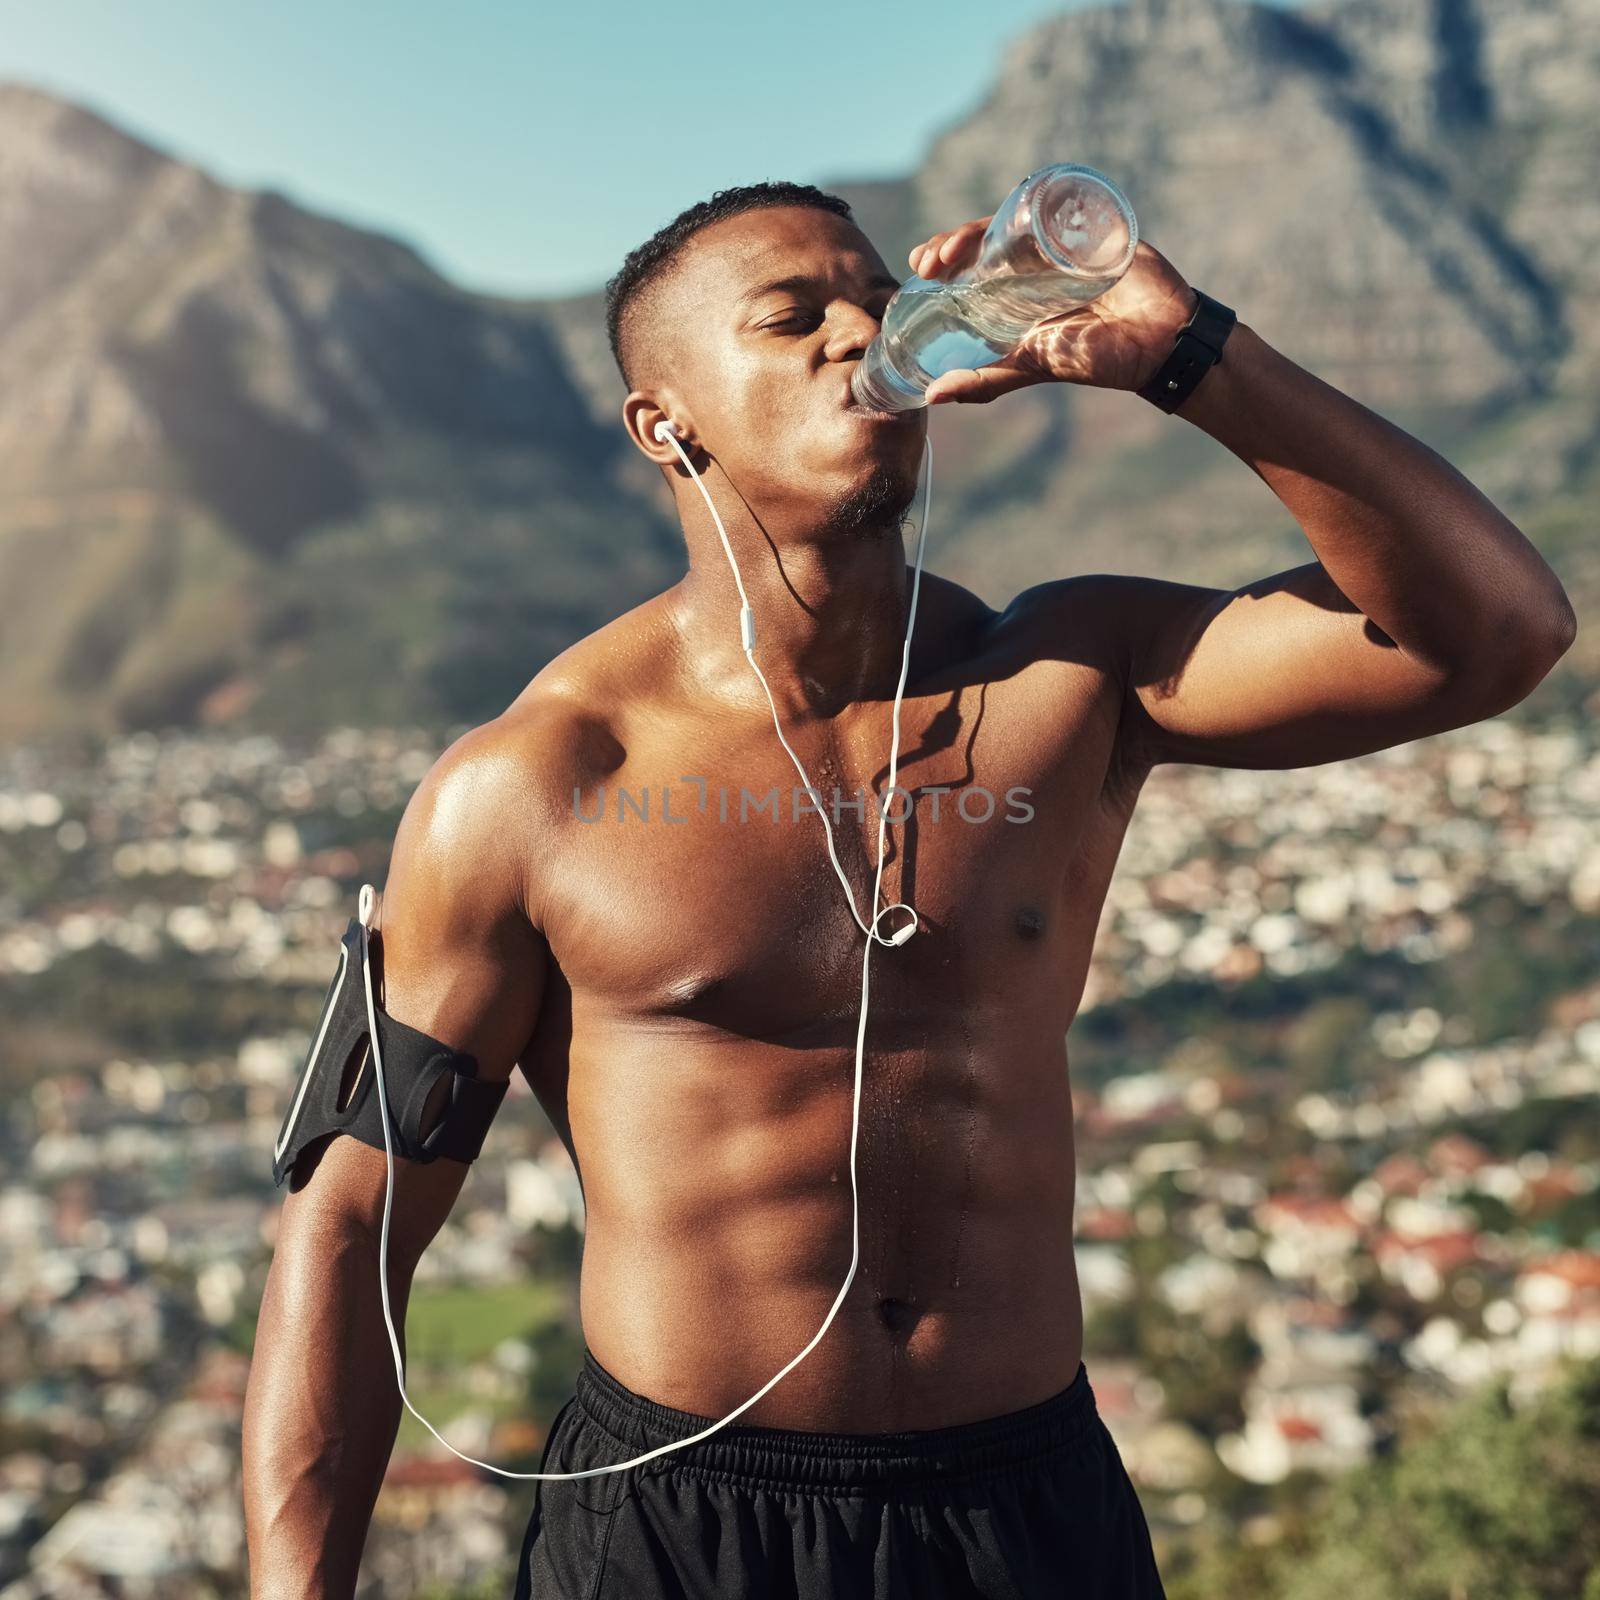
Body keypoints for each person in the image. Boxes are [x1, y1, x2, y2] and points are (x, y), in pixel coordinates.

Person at [241, 179, 1576, 1599]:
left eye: (874, 297)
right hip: (681, 1524)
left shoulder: (1069, 678)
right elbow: (342, 1225)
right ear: (665, 421)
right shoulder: (528, 786)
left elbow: (1499, 634)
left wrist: (1189, 355)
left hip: (1025, 1513)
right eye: (792, 314)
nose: (858, 331)